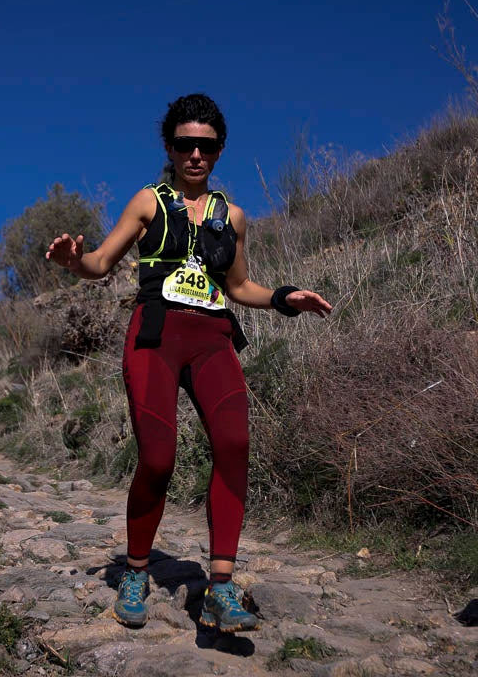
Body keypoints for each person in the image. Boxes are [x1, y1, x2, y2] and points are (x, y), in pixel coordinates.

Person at [46, 93, 332, 633]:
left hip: (213, 339)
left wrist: (283, 297)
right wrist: (71, 261)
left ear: (219, 150)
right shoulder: (147, 203)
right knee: (157, 458)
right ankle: (135, 572)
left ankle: (220, 588)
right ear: (170, 148)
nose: (195, 154)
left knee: (235, 445)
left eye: (206, 145)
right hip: (155, 336)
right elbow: (101, 263)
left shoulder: (234, 216)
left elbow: (239, 285)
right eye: (185, 144)